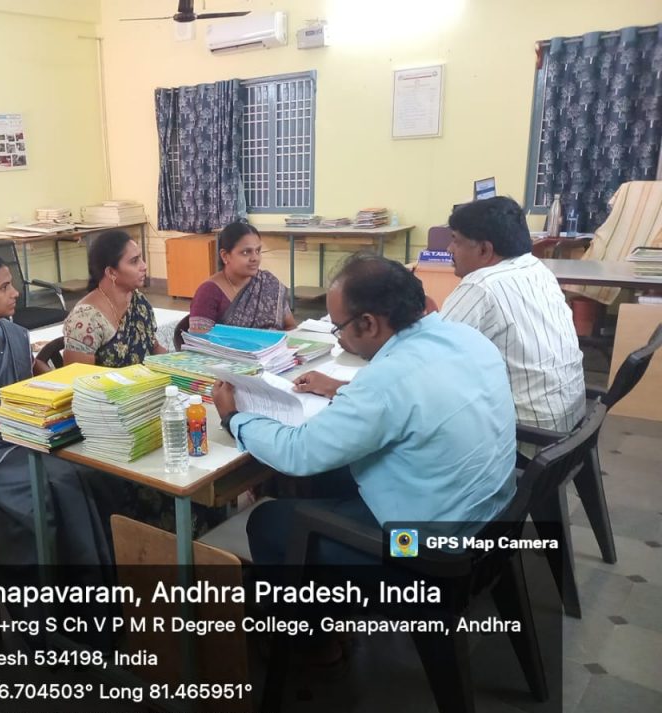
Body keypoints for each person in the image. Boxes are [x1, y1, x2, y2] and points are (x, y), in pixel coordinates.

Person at [213, 253, 517, 566]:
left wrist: (233, 417)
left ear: (369, 323)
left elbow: (297, 452)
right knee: (324, 476)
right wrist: (339, 388)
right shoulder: (466, 337)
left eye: (339, 328)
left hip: (424, 548)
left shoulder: (386, 382)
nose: (340, 339)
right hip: (488, 521)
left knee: (267, 522)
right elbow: (422, 393)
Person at [0, 250, 123, 567]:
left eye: (12, 284)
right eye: (3, 287)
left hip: (26, 432)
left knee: (93, 469)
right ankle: (45, 584)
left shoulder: (11, 332)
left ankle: (96, 573)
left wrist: (66, 386)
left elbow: (32, 372)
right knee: (49, 486)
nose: (15, 293)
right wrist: (11, 420)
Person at [441, 196, 585, 434]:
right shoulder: (536, 268)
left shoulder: (481, 285)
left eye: (455, 240)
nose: (449, 249)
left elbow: (431, 357)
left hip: (527, 432)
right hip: (569, 423)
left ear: (484, 249)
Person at [62, 229, 165, 367]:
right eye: (134, 261)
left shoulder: (138, 302)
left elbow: (154, 347)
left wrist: (180, 366)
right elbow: (77, 376)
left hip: (145, 379)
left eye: (141, 258)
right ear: (111, 272)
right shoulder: (85, 320)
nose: (144, 266)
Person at [189, 221, 296, 333]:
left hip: (274, 344)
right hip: (227, 345)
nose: (255, 258)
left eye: (258, 251)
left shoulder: (268, 283)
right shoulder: (208, 292)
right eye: (246, 252)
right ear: (225, 256)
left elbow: (290, 327)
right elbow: (199, 339)